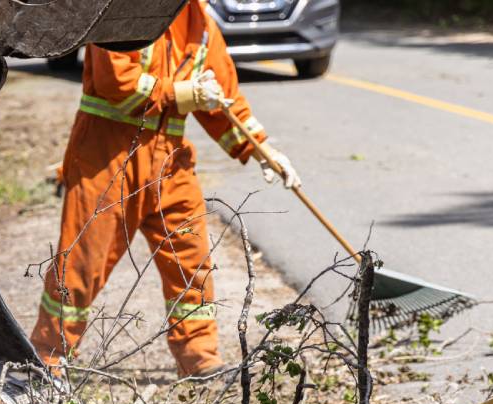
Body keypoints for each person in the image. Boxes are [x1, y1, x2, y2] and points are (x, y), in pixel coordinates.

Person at [29, 0, 300, 377]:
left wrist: (263, 149)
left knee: (191, 259)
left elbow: (222, 95)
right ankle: (47, 358)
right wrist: (183, 93)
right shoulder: (122, 11)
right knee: (81, 265)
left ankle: (199, 357)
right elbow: (117, 84)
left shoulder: (200, 21)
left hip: (169, 161)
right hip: (107, 160)